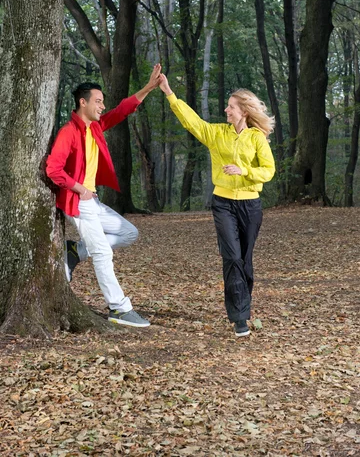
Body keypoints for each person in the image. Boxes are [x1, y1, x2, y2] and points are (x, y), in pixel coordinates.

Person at [159, 74, 275, 337]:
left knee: (245, 259)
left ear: (244, 111)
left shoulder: (256, 137)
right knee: (231, 256)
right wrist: (169, 93)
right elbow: (192, 122)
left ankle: (243, 304)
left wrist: (244, 170)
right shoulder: (216, 134)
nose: (226, 110)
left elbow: (268, 170)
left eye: (230, 106)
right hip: (223, 204)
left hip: (250, 205)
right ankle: (239, 317)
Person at [46, 64, 162, 328]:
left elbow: (122, 110)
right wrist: (79, 188)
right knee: (102, 253)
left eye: (103, 102)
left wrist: (149, 87)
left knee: (129, 233)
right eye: (97, 101)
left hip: (93, 201)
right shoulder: (69, 132)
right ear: (82, 102)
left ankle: (75, 250)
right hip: (79, 202)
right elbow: (53, 169)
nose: (102, 106)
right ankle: (118, 308)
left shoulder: (94, 128)